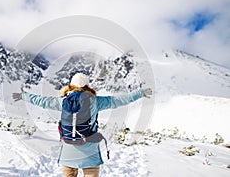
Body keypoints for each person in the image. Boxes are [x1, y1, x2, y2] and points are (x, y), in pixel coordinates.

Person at [12, 73, 152, 177]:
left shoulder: (63, 101)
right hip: (89, 150)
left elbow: (42, 101)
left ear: (70, 86)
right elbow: (119, 100)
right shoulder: (95, 101)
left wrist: (23, 96)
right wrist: (140, 93)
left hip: (68, 149)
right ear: (87, 86)